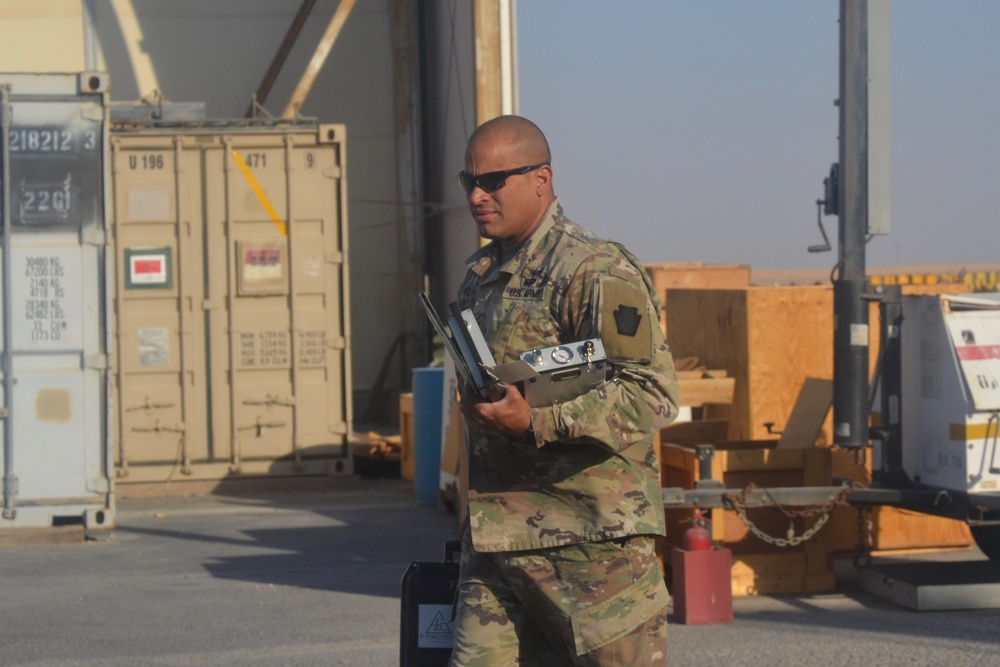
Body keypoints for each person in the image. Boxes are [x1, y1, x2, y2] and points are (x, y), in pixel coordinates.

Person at [449, 115, 680, 666]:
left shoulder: (593, 269)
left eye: (493, 181)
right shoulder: (480, 276)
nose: (477, 195)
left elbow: (651, 392)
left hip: (591, 555)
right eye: (468, 183)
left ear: (541, 179)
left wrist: (535, 422)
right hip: (498, 546)